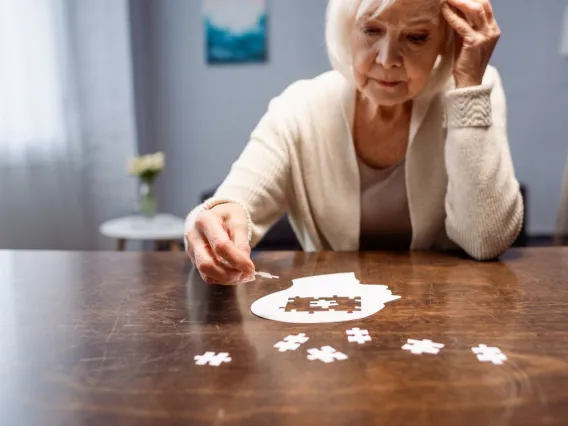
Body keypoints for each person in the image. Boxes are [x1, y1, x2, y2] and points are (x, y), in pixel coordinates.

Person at [184, 0, 523, 285]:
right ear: (346, 29)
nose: (388, 58)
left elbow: (485, 241)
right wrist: (214, 221)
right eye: (372, 30)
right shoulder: (300, 106)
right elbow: (232, 203)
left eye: (417, 37)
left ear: (446, 42)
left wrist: (468, 89)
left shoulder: (474, 88)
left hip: (443, 321)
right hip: (331, 324)